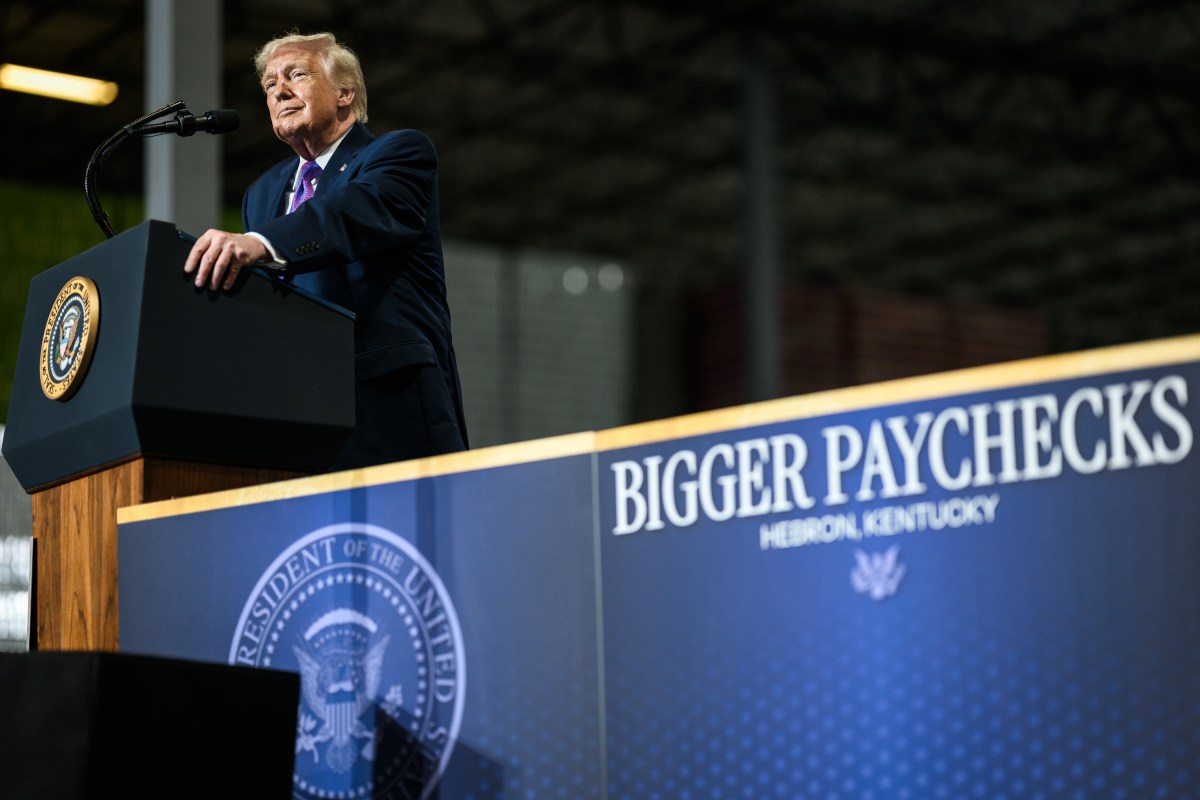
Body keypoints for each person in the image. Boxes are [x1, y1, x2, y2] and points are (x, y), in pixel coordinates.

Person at [184, 31, 468, 471]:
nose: (279, 91)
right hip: (294, 414)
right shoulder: (262, 193)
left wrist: (261, 243)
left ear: (344, 92)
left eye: (296, 75)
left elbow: (348, 214)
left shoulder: (398, 153)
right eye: (270, 84)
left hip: (386, 406)